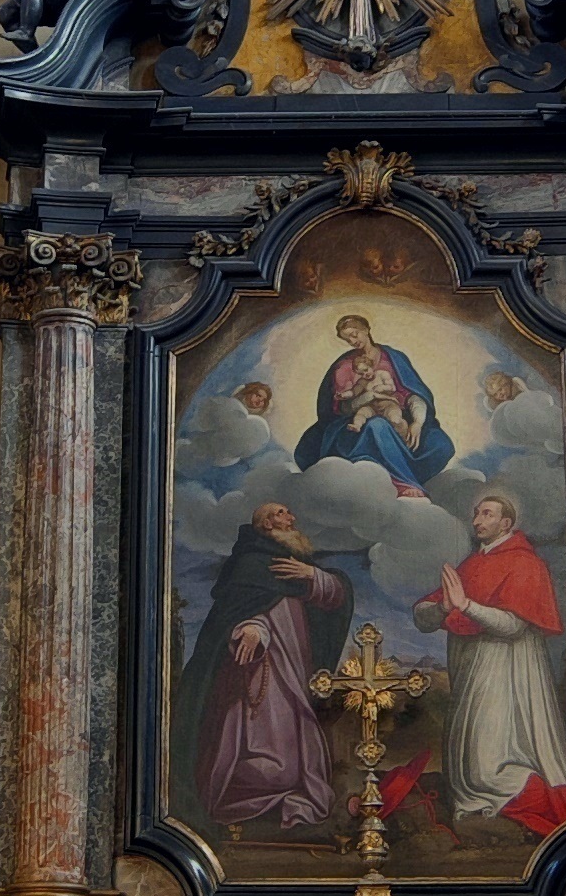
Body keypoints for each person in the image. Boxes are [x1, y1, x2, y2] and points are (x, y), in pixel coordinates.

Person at [176, 498, 354, 829]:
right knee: (268, 736)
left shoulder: (294, 563)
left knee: (295, 725)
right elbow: (242, 609)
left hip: (297, 660)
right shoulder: (252, 563)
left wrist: (312, 575)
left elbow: (336, 596)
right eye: (282, 513)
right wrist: (253, 630)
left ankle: (291, 794)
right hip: (263, 664)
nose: (292, 516)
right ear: (267, 524)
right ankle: (256, 798)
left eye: (289, 510)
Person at [430, 486, 566, 835]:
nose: (477, 520)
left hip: (507, 670)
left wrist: (465, 605)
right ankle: (482, 811)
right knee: (465, 760)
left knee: (489, 760)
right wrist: (442, 606)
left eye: (487, 514)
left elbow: (513, 626)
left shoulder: (525, 564)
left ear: (507, 522)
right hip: (473, 669)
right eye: (476, 513)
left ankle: (524, 806)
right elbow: (427, 616)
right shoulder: (473, 564)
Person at [294, 312, 451, 492]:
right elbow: (343, 409)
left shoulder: (394, 358)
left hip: (396, 414)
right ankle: (404, 484)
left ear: (366, 329)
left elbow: (412, 394)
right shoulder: (345, 366)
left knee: (441, 444)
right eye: (347, 339)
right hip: (354, 426)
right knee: (377, 426)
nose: (353, 341)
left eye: (355, 334)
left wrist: (417, 422)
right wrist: (369, 397)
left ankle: (404, 472)